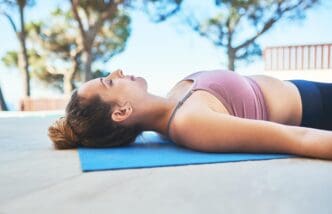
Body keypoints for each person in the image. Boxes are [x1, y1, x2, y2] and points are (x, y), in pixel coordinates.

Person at [48, 69, 332, 160]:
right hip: (319, 109)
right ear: (122, 112)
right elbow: (298, 138)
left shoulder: (175, 98)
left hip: (307, 89)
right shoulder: (190, 123)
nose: (117, 72)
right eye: (109, 82)